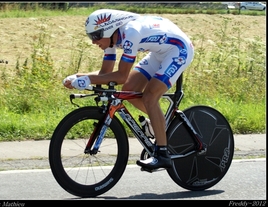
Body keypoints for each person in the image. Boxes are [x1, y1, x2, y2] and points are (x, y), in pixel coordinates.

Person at [63, 9, 194, 170]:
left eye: (95, 36)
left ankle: (162, 155)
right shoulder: (110, 40)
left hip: (178, 50)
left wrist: (88, 80)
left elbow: (121, 76)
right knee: (129, 89)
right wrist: (78, 76)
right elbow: (105, 74)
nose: (93, 41)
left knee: (150, 96)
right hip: (158, 53)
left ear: (109, 29)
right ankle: (158, 124)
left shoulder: (130, 33)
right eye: (91, 36)